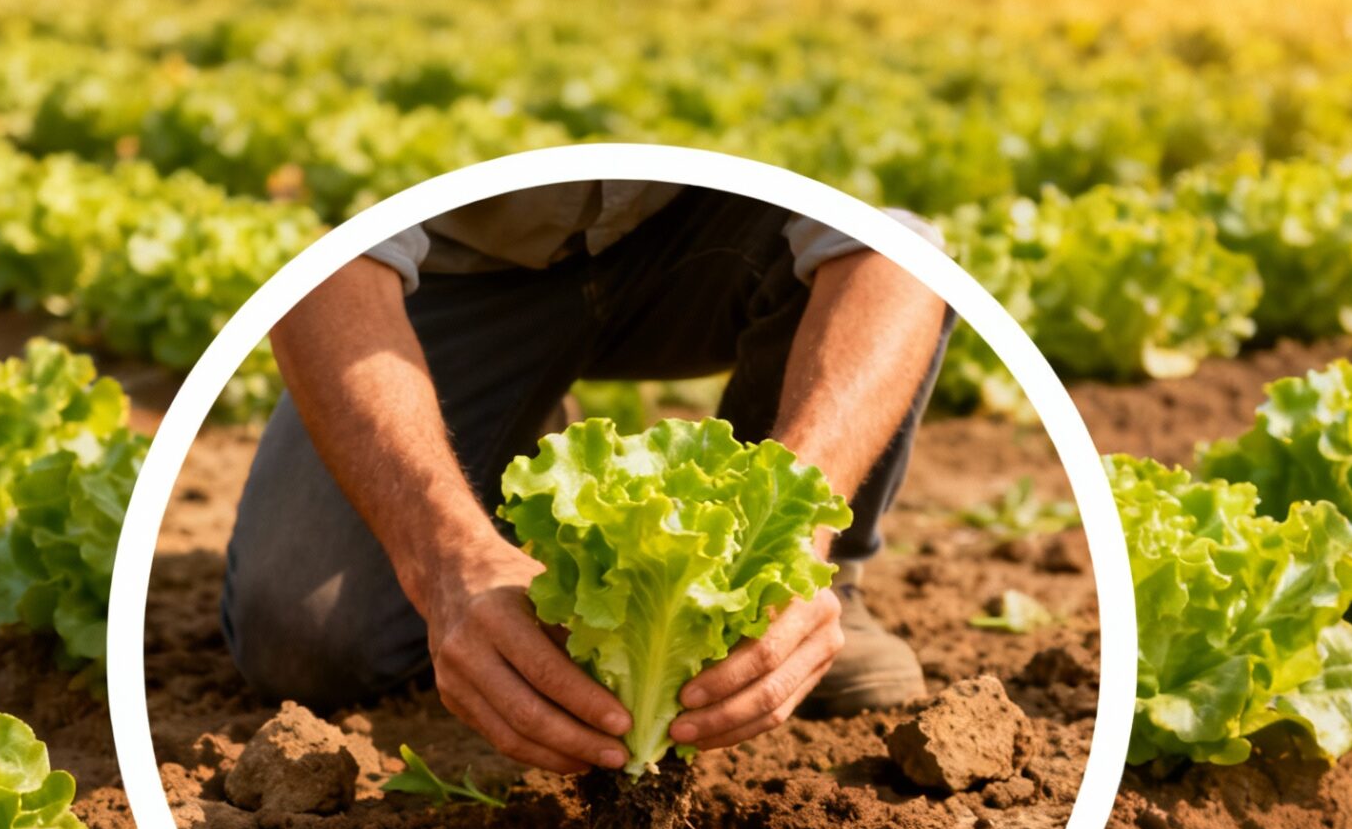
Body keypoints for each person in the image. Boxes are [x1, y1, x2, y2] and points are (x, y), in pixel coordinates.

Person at [222, 181, 953, 775]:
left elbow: (895, 255)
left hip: (702, 248)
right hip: (452, 273)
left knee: (877, 257)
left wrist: (795, 540)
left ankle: (822, 594)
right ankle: (503, 451)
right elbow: (322, 268)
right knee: (305, 640)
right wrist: (445, 562)